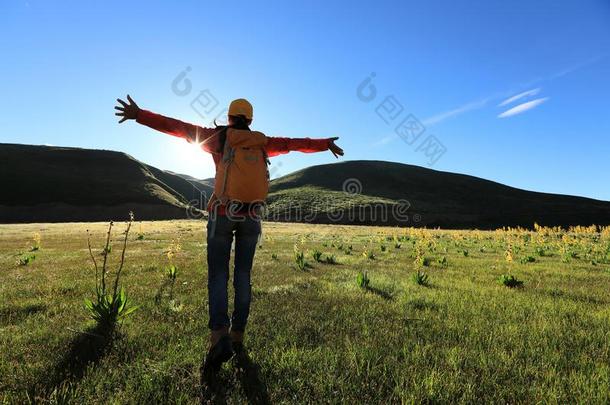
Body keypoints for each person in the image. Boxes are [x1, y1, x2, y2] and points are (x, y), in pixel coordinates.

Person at [114, 95, 344, 372]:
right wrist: (324, 144)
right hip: (251, 217)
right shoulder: (262, 143)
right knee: (243, 277)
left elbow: (177, 127)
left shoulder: (219, 139)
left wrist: (140, 115)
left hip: (223, 213)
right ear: (251, 120)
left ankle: (218, 338)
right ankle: (238, 337)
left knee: (218, 277)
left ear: (229, 117)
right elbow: (294, 144)